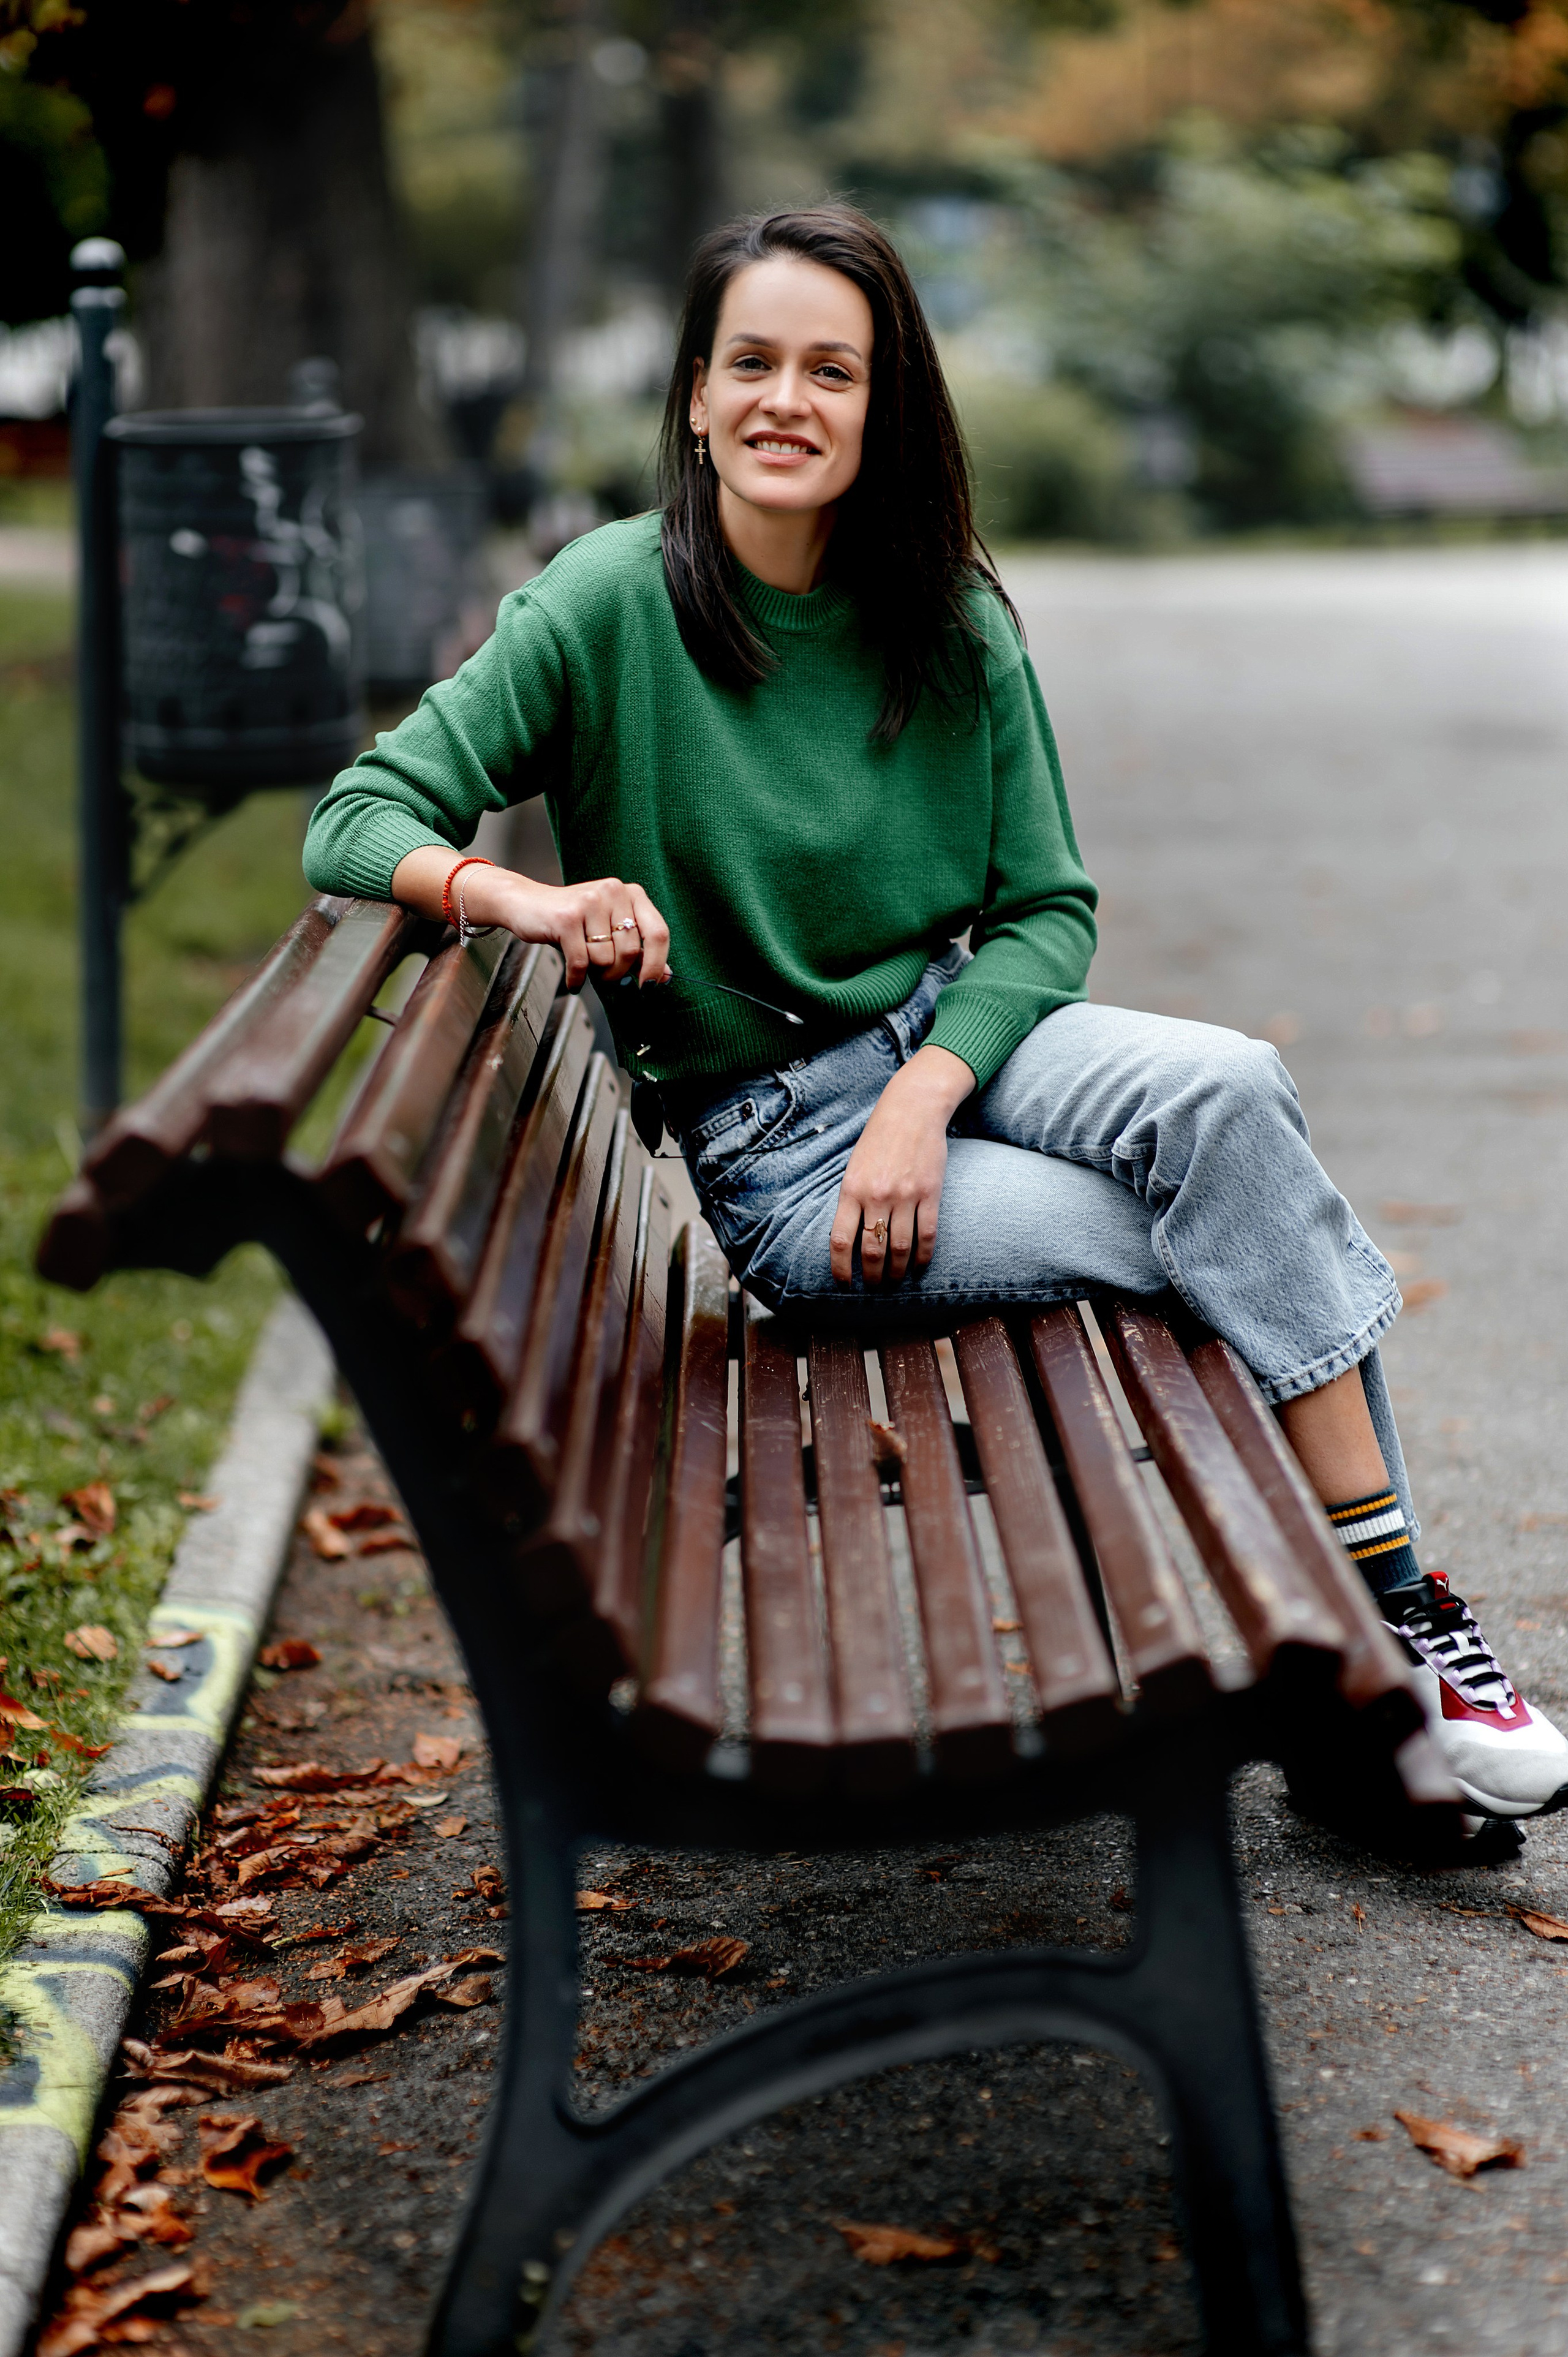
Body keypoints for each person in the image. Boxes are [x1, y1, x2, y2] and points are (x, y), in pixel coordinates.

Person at [304, 203, 1566, 1827]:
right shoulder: (608, 604)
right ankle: (1370, 1687)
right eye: (751, 361)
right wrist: (531, 900)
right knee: (1205, 1246)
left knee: (1233, 1098)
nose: (787, 399)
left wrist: (924, 1095)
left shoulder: (946, 614)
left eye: (834, 370)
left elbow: (1046, 910)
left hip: (956, 1050)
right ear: (693, 395)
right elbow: (358, 813)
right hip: (786, 1157)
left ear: (884, 408)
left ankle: (1385, 1622)